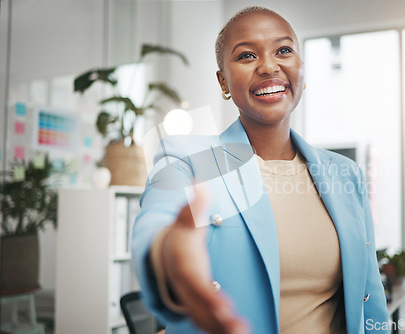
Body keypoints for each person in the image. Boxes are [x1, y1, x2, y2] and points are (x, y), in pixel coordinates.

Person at [132, 6, 389, 334]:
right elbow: (156, 224)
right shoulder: (191, 159)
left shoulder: (345, 173)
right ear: (223, 81)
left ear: (302, 69)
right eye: (246, 56)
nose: (269, 67)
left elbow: (371, 300)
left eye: (284, 50)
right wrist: (166, 253)